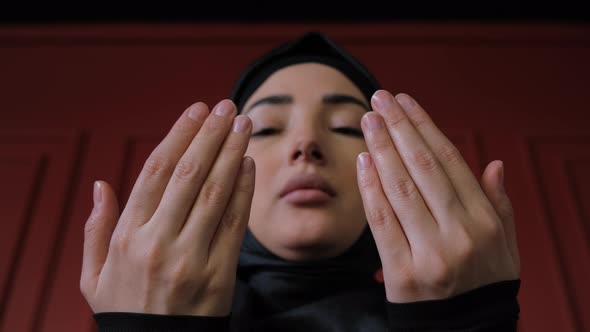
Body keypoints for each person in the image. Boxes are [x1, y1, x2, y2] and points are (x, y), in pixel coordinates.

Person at [81, 32, 521, 331]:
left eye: (349, 127)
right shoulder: (145, 307)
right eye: (268, 127)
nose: (307, 143)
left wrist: (469, 321)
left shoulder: (467, 309)